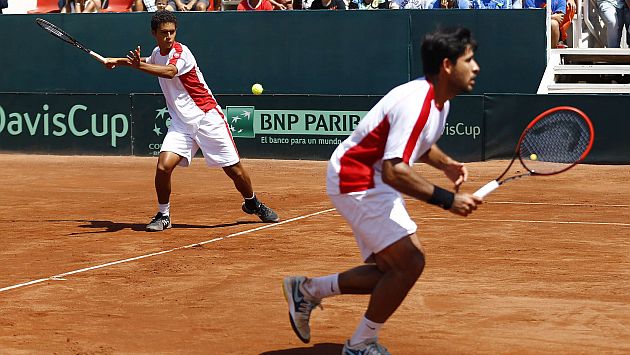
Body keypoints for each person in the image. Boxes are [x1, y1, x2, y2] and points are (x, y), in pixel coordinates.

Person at [282, 26, 482, 354]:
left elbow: (418, 144)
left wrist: (445, 163)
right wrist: (449, 201)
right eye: (469, 60)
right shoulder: (418, 101)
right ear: (447, 65)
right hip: (357, 178)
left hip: (369, 178)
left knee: (392, 270)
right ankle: (360, 343)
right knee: (409, 264)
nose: (476, 68)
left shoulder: (439, 101)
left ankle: (308, 291)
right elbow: (395, 171)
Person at [103, 10, 279, 231]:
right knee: (163, 166)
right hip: (181, 124)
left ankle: (252, 202)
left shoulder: (182, 52)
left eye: (172, 32)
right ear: (154, 33)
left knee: (234, 170)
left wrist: (138, 66)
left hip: (207, 118)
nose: (169, 36)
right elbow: (148, 61)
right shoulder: (157, 53)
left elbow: (168, 71)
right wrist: (117, 61)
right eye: (164, 32)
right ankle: (163, 215)